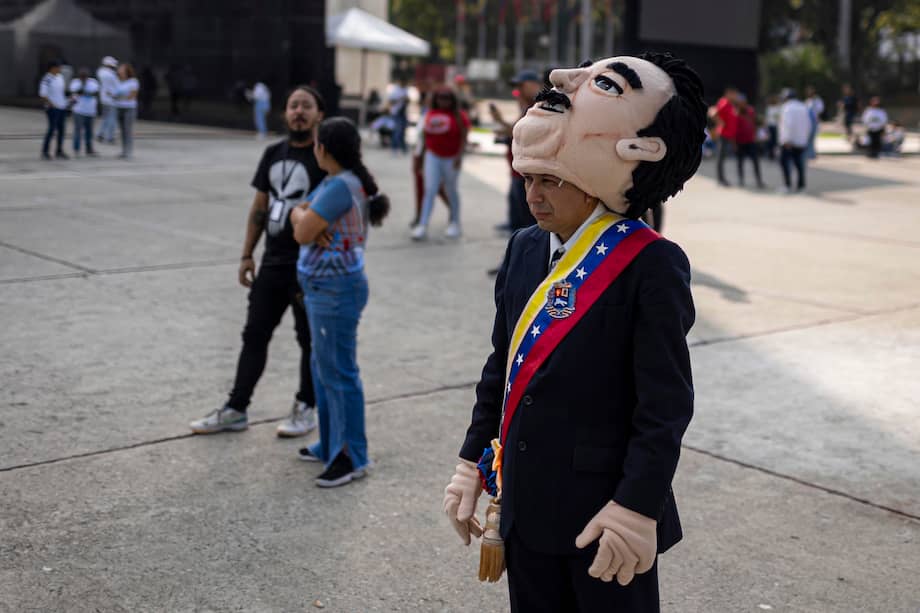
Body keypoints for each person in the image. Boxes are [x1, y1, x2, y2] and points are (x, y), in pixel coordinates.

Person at [443, 51, 705, 612]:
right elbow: (502, 367)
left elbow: (664, 405)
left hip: (604, 517)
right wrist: (471, 461)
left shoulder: (650, 263)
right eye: (528, 179)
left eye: (550, 182)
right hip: (525, 503)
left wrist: (636, 506)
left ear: (591, 182)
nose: (532, 195)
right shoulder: (523, 248)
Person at [189, 85, 327, 437]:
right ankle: (236, 408)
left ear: (319, 115)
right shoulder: (272, 153)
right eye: (293, 105)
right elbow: (260, 207)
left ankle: (306, 406)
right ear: (284, 112)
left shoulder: (325, 158)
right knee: (254, 334)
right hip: (272, 264)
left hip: (308, 267)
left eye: (306, 106)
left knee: (308, 339)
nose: (298, 111)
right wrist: (247, 253)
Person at [289, 116, 391, 487]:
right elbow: (300, 212)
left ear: (324, 149)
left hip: (334, 291)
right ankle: (331, 444)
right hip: (328, 288)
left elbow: (301, 230)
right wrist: (301, 214)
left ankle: (351, 456)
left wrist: (301, 216)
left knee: (339, 372)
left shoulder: (337, 187)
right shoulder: (339, 182)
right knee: (323, 368)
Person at [411, 87, 470, 240]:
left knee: (451, 190)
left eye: (447, 98)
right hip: (432, 156)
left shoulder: (459, 116)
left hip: (451, 157)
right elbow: (424, 138)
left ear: (453, 100)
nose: (443, 101)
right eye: (440, 97)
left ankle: (455, 222)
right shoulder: (429, 114)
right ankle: (422, 225)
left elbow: (464, 137)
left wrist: (459, 157)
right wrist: (421, 159)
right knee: (430, 190)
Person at [778, 88, 810, 193]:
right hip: (801, 140)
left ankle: (787, 185)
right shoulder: (803, 107)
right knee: (799, 164)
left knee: (784, 163)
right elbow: (808, 125)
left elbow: (788, 125)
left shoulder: (787, 108)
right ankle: (801, 186)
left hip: (789, 141)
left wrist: (786, 139)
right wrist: (805, 138)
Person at [39, 59, 68, 160]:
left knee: (61, 130)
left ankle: (59, 151)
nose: (60, 69)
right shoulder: (47, 79)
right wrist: (52, 105)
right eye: (58, 67)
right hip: (52, 109)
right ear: (53, 68)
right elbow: (43, 95)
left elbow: (62, 91)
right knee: (51, 130)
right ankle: (45, 151)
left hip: (62, 107)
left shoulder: (60, 77)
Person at [709, 86, 738, 186]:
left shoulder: (731, 104)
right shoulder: (724, 102)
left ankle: (722, 179)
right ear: (729, 93)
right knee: (720, 158)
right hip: (723, 135)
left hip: (728, 135)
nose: (735, 96)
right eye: (734, 94)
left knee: (723, 157)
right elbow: (712, 112)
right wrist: (720, 122)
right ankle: (720, 180)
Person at [734, 94, 764, 188]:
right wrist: (734, 143)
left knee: (755, 162)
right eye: (740, 102)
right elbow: (734, 129)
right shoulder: (735, 113)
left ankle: (759, 181)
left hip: (751, 141)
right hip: (740, 142)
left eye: (743, 102)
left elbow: (754, 123)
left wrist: (755, 135)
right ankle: (741, 180)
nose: (742, 104)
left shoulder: (751, 110)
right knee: (740, 162)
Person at [68, 68, 99, 157]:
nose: (83, 78)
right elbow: (75, 92)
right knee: (78, 131)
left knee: (89, 132)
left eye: (85, 76)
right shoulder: (75, 82)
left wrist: (83, 90)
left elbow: (94, 92)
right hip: (79, 111)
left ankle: (89, 149)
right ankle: (76, 149)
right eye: (82, 77)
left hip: (90, 112)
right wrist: (82, 86)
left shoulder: (93, 82)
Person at [113, 63, 139, 159]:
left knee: (128, 130)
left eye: (121, 69)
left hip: (129, 108)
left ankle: (129, 152)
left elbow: (131, 96)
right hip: (119, 107)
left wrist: (119, 97)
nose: (119, 70)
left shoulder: (133, 81)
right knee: (122, 131)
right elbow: (115, 94)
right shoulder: (118, 82)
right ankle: (124, 151)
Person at [96, 56, 119, 144]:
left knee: (105, 117)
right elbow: (116, 86)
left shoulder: (100, 72)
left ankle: (100, 134)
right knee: (112, 119)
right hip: (112, 99)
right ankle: (110, 137)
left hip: (104, 98)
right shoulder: (110, 74)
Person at [387, 78, 409, 154]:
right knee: (397, 131)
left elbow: (407, 101)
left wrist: (406, 100)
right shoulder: (395, 91)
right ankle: (394, 148)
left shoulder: (406, 90)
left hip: (403, 112)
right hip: (397, 113)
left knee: (403, 131)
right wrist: (400, 99)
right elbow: (391, 102)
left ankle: (403, 148)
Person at [804, 86, 823, 160]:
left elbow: (820, 109)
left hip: (814, 121)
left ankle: (812, 154)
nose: (809, 93)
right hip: (808, 122)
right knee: (808, 138)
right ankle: (809, 153)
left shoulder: (817, 100)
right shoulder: (808, 101)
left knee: (812, 138)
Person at [764, 94, 782, 160]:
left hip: (776, 126)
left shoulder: (778, 108)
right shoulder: (769, 108)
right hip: (770, 126)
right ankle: (770, 154)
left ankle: (775, 154)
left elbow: (779, 117)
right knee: (770, 141)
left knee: (775, 141)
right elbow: (767, 118)